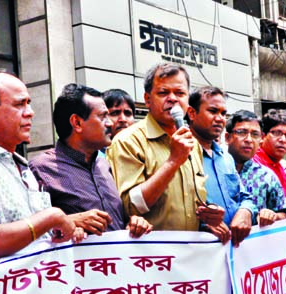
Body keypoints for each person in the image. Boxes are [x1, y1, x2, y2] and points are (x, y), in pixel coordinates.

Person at [0, 69, 83, 259]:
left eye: (29, 103)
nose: (30, 113)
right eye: (20, 104)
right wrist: (51, 218)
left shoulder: (22, 166)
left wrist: (61, 232)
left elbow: (35, 233)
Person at [108, 63, 223, 232]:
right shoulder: (128, 141)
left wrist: (209, 217)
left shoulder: (192, 144)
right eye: (163, 92)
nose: (173, 99)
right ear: (147, 99)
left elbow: (193, 200)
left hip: (192, 251)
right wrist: (173, 161)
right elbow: (130, 207)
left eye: (180, 93)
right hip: (154, 254)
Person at [29, 83, 151, 237]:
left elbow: (118, 222)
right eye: (102, 116)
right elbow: (30, 231)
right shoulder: (40, 169)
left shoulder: (104, 165)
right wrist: (68, 222)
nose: (109, 123)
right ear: (77, 123)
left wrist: (134, 223)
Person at [186, 86, 256, 245]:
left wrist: (245, 211)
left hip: (233, 249)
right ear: (192, 113)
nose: (220, 119)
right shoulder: (181, 155)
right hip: (199, 250)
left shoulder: (226, 158)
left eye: (223, 113)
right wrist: (204, 226)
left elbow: (245, 197)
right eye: (213, 111)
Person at [226, 110, 286, 224]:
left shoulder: (267, 176)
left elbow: (284, 213)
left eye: (255, 134)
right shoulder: (213, 169)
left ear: (261, 138)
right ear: (227, 137)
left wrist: (272, 216)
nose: (249, 139)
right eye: (241, 132)